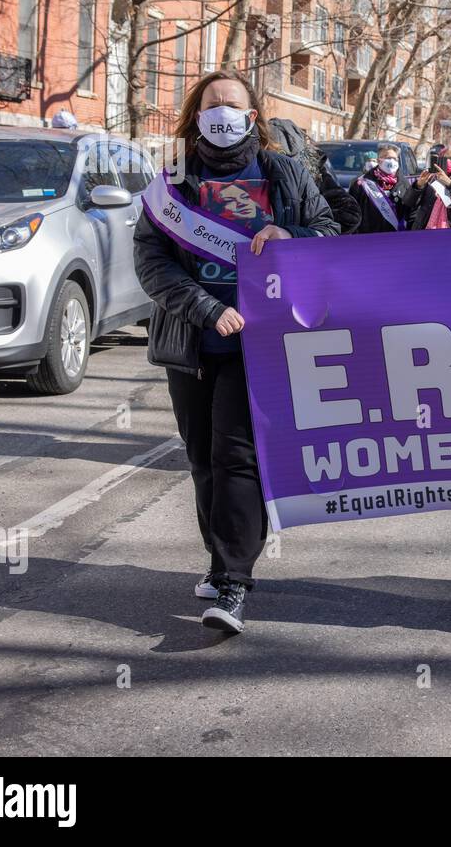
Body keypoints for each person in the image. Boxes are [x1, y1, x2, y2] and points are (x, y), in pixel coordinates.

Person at [133, 70, 337, 635]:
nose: (221, 113)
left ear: (253, 116)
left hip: (261, 339)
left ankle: (233, 579)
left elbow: (331, 231)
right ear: (196, 115)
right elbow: (151, 261)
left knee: (236, 454)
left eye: (233, 104)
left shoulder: (284, 171)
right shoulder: (172, 179)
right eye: (211, 104)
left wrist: (291, 238)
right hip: (193, 339)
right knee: (201, 457)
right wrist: (204, 308)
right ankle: (222, 556)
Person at [402, 143, 451, 228]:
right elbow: (408, 202)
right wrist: (418, 186)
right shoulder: (431, 179)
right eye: (444, 158)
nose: (448, 161)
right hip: (427, 230)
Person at [351, 142, 410, 234]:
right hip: (368, 237)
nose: (391, 160)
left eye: (394, 158)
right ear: (379, 160)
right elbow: (352, 213)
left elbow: (411, 212)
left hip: (396, 238)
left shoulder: (404, 184)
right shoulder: (361, 183)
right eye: (387, 157)